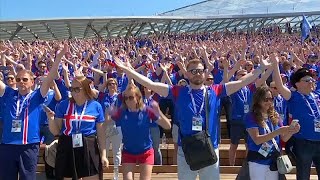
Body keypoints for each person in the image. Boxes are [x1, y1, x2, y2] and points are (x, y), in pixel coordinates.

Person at [114, 57, 270, 180]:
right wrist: (129, 70)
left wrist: (261, 68)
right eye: (193, 70)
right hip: (186, 150)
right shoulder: (178, 92)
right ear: (187, 74)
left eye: (200, 70)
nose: (197, 73)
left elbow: (242, 81)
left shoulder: (215, 90)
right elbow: (150, 84)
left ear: (205, 73)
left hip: (210, 148)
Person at [0, 46, 66, 180]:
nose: (21, 82)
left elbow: (49, 78)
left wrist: (58, 59)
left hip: (29, 145)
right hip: (8, 144)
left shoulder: (37, 95)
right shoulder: (8, 93)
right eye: (18, 80)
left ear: (32, 82)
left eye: (25, 79)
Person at [45, 75, 108, 180]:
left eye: (77, 89)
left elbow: (101, 134)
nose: (73, 92)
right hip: (67, 144)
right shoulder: (63, 105)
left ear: (86, 89)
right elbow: (56, 131)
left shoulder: (96, 106)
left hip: (89, 144)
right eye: (71, 89)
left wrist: (104, 155)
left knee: (92, 177)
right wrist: (51, 119)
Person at [272, 54, 320, 180]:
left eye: (312, 79)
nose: (312, 81)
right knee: (303, 176)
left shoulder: (316, 96)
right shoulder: (293, 96)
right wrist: (275, 65)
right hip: (303, 142)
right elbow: (279, 85)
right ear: (297, 84)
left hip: (319, 141)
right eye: (307, 80)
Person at [109, 83, 171, 180]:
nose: (128, 100)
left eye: (131, 97)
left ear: (138, 97)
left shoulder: (147, 110)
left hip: (146, 152)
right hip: (128, 152)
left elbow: (167, 126)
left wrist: (158, 112)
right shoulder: (121, 112)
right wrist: (109, 112)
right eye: (125, 98)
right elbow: (106, 122)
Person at [245, 86, 300, 180]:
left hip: (273, 159)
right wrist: (277, 131)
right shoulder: (251, 116)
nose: (269, 102)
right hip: (258, 160)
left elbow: (283, 138)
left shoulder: (275, 115)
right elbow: (257, 140)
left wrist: (292, 131)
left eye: (271, 99)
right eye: (266, 99)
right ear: (258, 100)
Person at [98, 78, 123, 180]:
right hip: (105, 127)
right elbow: (98, 92)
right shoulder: (103, 97)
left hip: (116, 126)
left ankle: (116, 176)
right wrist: (105, 82)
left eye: (114, 84)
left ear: (117, 86)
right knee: (104, 150)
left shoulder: (120, 97)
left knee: (117, 151)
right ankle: (102, 175)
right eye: (110, 84)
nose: (112, 86)